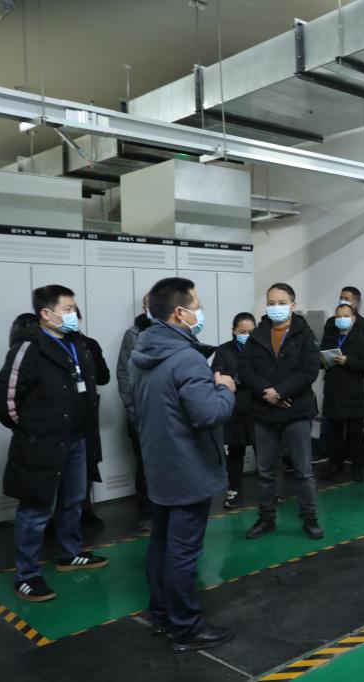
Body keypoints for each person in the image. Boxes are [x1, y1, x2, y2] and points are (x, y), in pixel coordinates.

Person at [129, 277, 237, 653]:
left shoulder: (143, 353)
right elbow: (208, 414)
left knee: (161, 544)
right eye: (197, 306)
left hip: (160, 465)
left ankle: (161, 614)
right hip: (189, 469)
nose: (200, 312)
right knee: (183, 551)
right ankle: (186, 627)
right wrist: (224, 388)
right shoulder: (186, 358)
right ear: (179, 312)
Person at [0, 285, 110, 603]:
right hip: (42, 444)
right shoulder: (29, 348)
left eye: (73, 309)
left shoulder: (78, 344)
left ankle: (69, 553)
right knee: (36, 509)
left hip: (77, 440)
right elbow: (3, 399)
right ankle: (26, 575)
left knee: (73, 501)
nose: (73, 314)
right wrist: (32, 430)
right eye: (67, 309)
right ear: (46, 313)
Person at [240, 283, 324, 540]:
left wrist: (280, 391)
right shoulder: (257, 335)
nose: (276, 307)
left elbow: (309, 370)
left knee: (303, 471)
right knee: (266, 472)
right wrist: (268, 393)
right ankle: (266, 519)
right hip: (264, 412)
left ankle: (310, 518)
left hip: (296, 413)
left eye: (281, 302)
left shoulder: (305, 335)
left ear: (293, 305)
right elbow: (245, 370)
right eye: (271, 303)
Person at [319, 304, 364, 482]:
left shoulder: (361, 339)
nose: (342, 319)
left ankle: (358, 467)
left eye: (346, 316)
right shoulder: (329, 338)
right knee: (333, 433)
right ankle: (336, 464)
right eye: (338, 316)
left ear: (353, 318)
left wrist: (347, 361)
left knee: (355, 433)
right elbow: (319, 361)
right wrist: (325, 360)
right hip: (333, 391)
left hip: (353, 393)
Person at [211, 312, 257, 509]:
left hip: (258, 408)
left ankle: (270, 490)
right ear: (233, 331)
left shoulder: (261, 348)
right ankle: (234, 490)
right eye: (242, 332)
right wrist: (237, 379)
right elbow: (218, 375)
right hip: (235, 408)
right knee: (236, 452)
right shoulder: (224, 350)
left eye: (251, 332)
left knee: (264, 451)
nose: (246, 335)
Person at [117, 294, 154, 532]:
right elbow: (123, 374)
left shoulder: (179, 331)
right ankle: (148, 514)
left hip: (168, 413)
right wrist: (132, 408)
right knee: (145, 466)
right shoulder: (133, 334)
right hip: (141, 413)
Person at [74, 305, 111, 530]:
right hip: (60, 414)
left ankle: (85, 509)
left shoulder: (89, 344)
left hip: (87, 410)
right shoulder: (47, 347)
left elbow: (104, 377)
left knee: (88, 459)